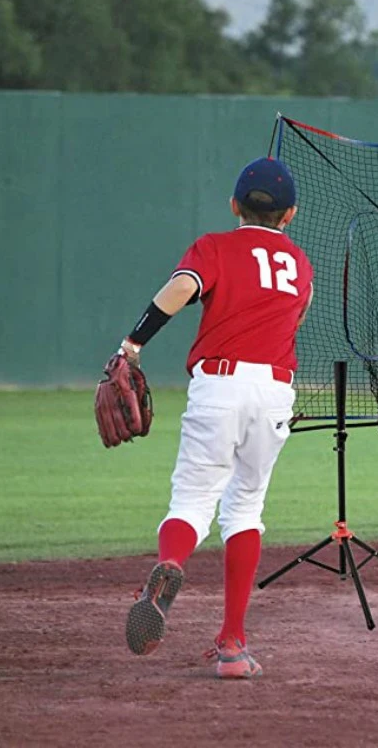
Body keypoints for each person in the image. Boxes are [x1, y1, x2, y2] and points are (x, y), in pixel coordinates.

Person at [118, 157, 313, 679]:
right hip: (274, 390)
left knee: (192, 500)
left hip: (219, 386)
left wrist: (133, 343)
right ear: (290, 214)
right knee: (245, 509)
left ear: (234, 205)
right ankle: (231, 646)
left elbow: (182, 288)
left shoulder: (215, 247)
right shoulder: (299, 263)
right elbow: (296, 319)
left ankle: (172, 566)